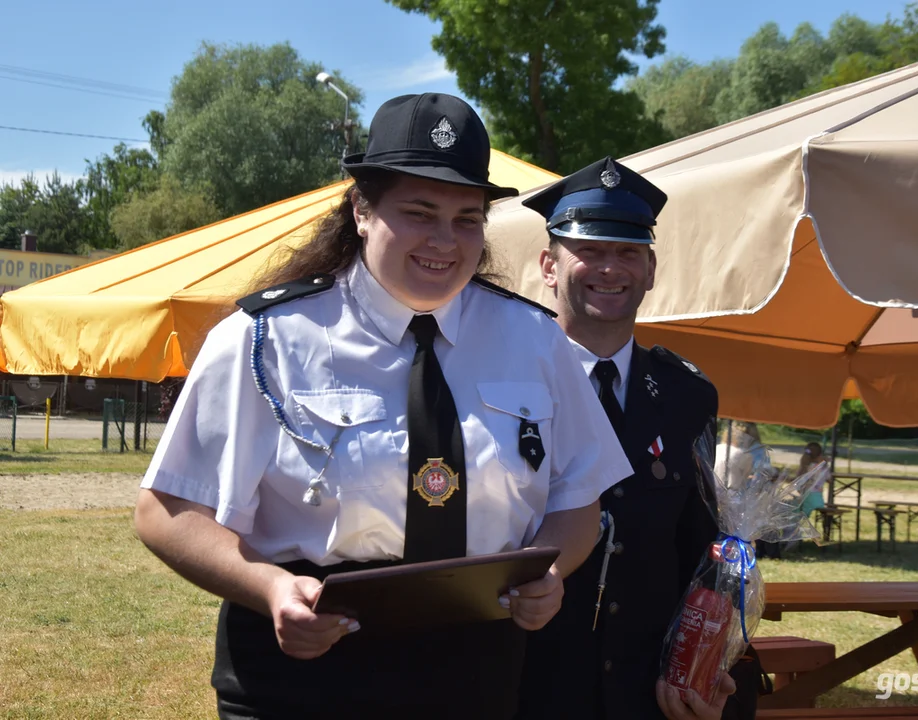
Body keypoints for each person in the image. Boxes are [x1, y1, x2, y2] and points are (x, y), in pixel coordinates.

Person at [132, 93, 632, 719]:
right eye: (420, 212)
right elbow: (167, 509)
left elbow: (578, 496)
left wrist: (553, 571)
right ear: (362, 210)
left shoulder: (535, 340)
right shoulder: (267, 339)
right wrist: (271, 588)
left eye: (467, 218)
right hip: (306, 670)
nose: (444, 241)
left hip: (475, 676)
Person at [515, 156, 736, 720]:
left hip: (644, 696)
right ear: (548, 264)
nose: (609, 268)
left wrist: (710, 667)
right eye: (589, 250)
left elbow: (701, 554)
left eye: (628, 252)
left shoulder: (689, 395)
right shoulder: (502, 381)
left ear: (652, 268)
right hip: (525, 689)